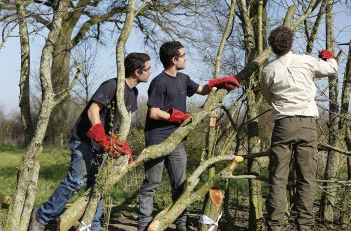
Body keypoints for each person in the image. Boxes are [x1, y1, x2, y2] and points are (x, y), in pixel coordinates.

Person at [29, 52, 152, 231]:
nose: (150, 72)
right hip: (84, 140)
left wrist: (120, 144)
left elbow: (120, 122)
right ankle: (41, 217)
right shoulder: (112, 85)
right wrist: (100, 135)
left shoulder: (133, 93)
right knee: (76, 181)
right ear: (137, 71)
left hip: (104, 145)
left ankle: (93, 226)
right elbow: (93, 111)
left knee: (98, 184)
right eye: (148, 69)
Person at [137, 41, 240, 231]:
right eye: (183, 55)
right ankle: (144, 224)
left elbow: (201, 89)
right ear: (174, 59)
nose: (186, 58)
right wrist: (178, 117)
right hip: (157, 140)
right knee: (152, 183)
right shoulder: (159, 82)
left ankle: (181, 224)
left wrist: (216, 83)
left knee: (181, 185)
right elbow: (153, 112)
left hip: (177, 141)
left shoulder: (183, 79)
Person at [260, 27, 337, 231]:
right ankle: (305, 226)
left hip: (283, 125)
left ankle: (274, 226)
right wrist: (329, 57)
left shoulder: (267, 70)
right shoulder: (306, 61)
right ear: (291, 43)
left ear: (273, 46)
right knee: (307, 178)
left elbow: (269, 98)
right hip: (307, 125)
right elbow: (332, 70)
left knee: (278, 178)